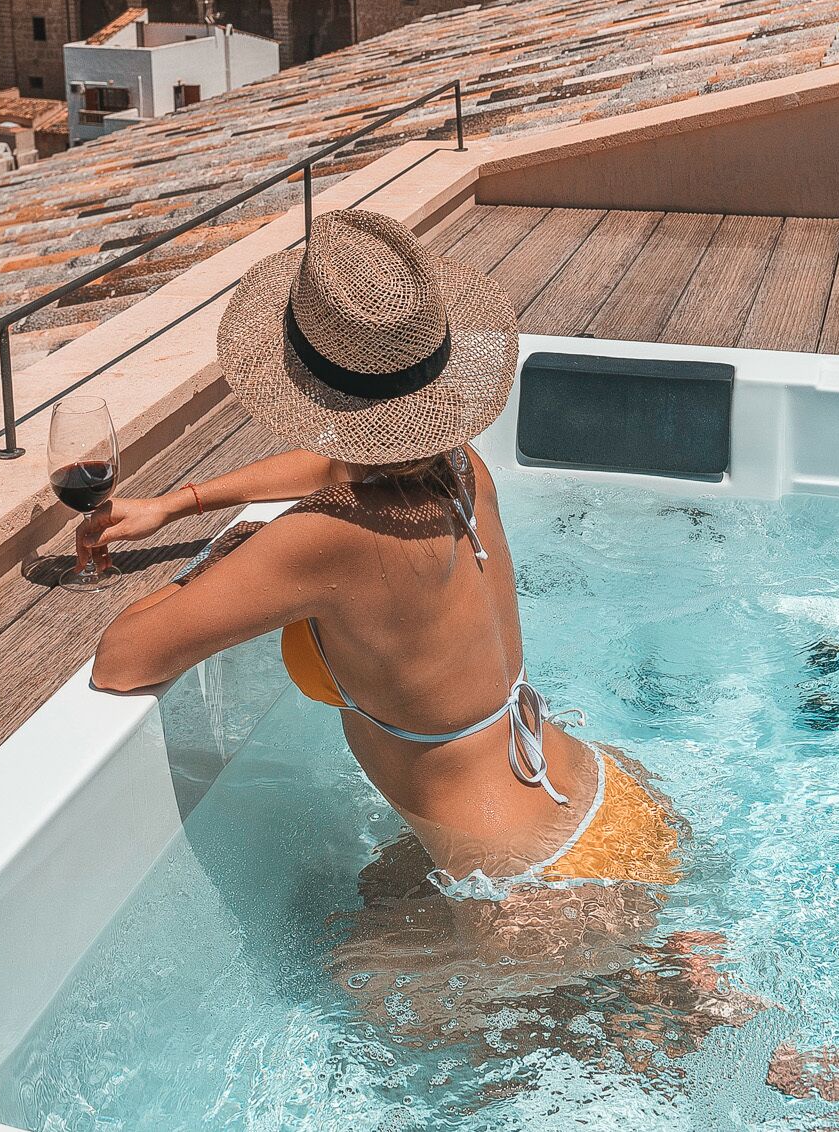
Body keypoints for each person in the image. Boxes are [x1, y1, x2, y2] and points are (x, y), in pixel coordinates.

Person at [87, 207, 680, 893]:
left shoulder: (323, 539)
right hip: (600, 792)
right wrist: (181, 502)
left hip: (528, 881)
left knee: (345, 941)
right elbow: (339, 465)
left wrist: (220, 560)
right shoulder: (460, 467)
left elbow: (122, 661)